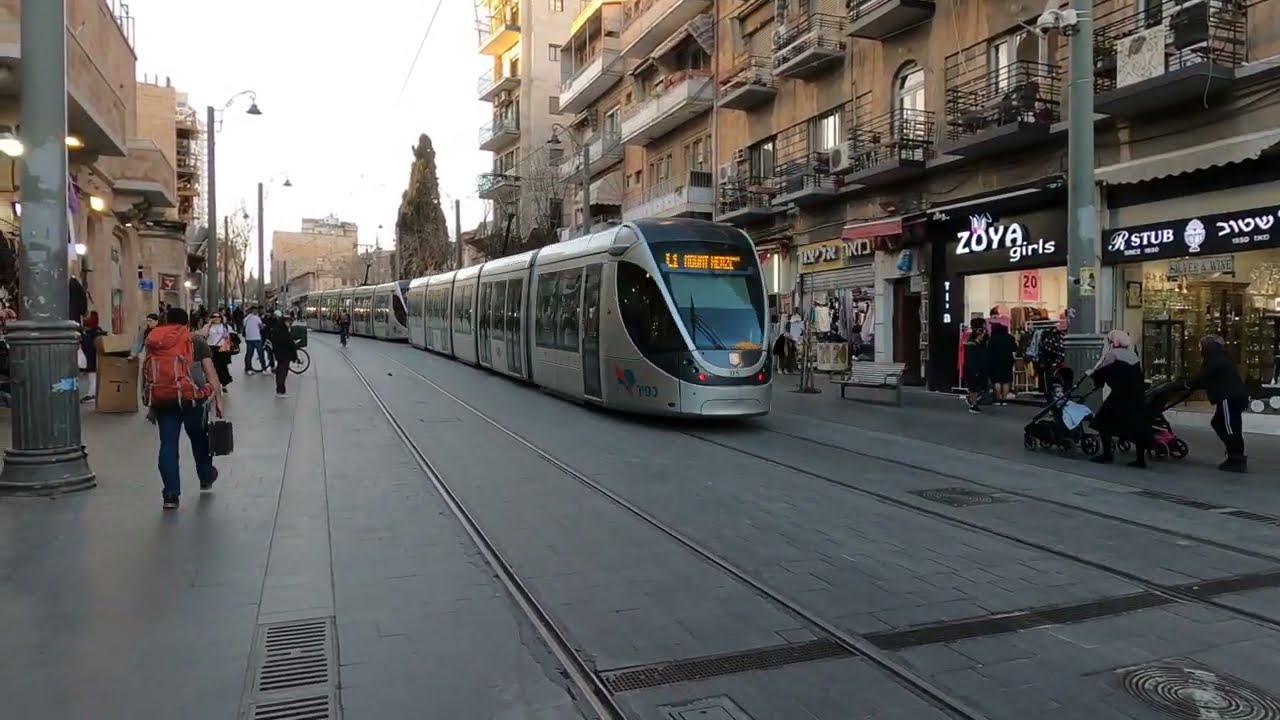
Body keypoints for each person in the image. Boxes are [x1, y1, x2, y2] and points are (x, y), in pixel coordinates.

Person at [144, 307, 222, 509]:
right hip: (192, 399)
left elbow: (147, 373)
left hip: (163, 399)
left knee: (168, 445)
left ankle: (170, 495)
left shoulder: (154, 341)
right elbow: (211, 373)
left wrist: (150, 403)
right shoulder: (195, 340)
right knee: (199, 439)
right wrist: (218, 400)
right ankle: (205, 476)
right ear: (186, 323)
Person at [1087, 329, 1150, 468]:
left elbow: (1101, 375)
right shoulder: (1134, 355)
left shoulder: (1112, 354)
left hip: (1120, 396)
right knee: (1137, 426)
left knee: (1103, 423)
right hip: (1137, 396)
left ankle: (1107, 454)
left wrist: (1092, 374)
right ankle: (1140, 459)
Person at [1187, 334, 1249, 472]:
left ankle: (1236, 457)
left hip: (1229, 397)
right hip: (1235, 396)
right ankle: (1234, 453)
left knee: (1229, 426)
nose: (1200, 349)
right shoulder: (1221, 357)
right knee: (1221, 423)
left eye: (1201, 346)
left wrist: (1189, 383)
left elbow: (1204, 376)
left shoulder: (1214, 360)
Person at [198, 310, 235, 390]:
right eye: (214, 317)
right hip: (211, 348)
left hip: (223, 348)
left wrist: (229, 337)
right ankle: (213, 383)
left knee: (223, 367)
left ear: (221, 318)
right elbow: (202, 334)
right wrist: (209, 323)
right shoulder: (208, 326)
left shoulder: (225, 326)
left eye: (218, 317)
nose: (216, 318)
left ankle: (223, 383)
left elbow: (233, 334)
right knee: (212, 367)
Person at [267, 314, 298, 397]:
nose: (289, 324)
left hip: (280, 354)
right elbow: (286, 342)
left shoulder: (280, 329)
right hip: (283, 354)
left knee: (281, 371)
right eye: (288, 322)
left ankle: (281, 390)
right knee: (282, 372)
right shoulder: (281, 331)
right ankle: (280, 391)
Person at [79, 311, 107, 403]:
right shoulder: (97, 331)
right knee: (92, 375)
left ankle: (92, 394)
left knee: (92, 375)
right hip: (93, 358)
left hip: (91, 358)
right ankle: (92, 393)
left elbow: (87, 345)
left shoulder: (90, 333)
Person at [963, 318, 990, 413]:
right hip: (974, 369)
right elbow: (972, 360)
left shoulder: (978, 344)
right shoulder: (972, 344)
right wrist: (975, 371)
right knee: (974, 387)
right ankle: (973, 404)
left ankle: (972, 400)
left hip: (977, 369)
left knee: (977, 387)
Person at [987, 322, 1017, 406]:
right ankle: (1004, 400)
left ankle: (997, 399)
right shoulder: (1010, 338)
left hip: (995, 361)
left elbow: (989, 350)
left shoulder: (992, 338)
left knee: (997, 380)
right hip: (1007, 360)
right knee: (1006, 381)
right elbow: (1015, 348)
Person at [242, 305, 266, 374]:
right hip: (257, 338)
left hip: (248, 338)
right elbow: (261, 327)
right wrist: (263, 326)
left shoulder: (246, 318)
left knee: (249, 354)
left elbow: (244, 326)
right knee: (260, 353)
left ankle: (248, 368)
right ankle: (263, 368)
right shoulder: (257, 318)